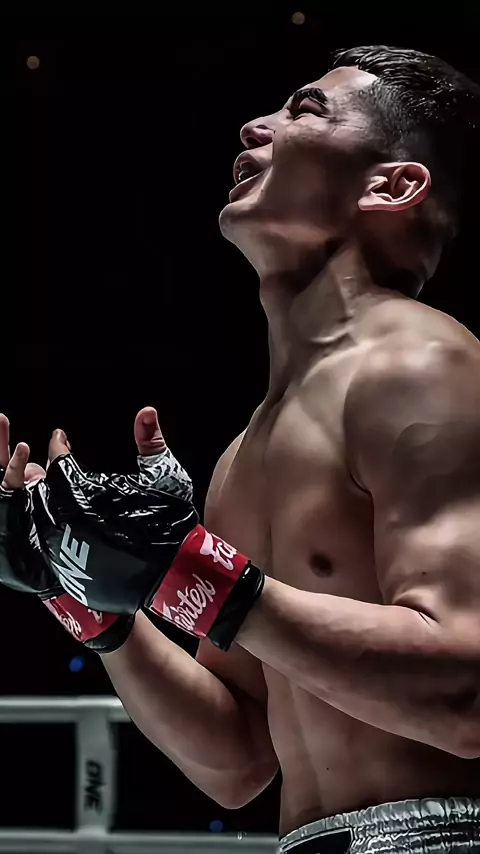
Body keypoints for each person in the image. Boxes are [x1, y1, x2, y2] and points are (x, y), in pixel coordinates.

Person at [4, 44, 480, 852]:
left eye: (306, 109)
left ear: (392, 185)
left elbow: (466, 696)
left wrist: (193, 572)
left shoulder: (422, 367)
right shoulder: (243, 450)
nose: (254, 126)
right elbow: (237, 759)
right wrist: (80, 594)